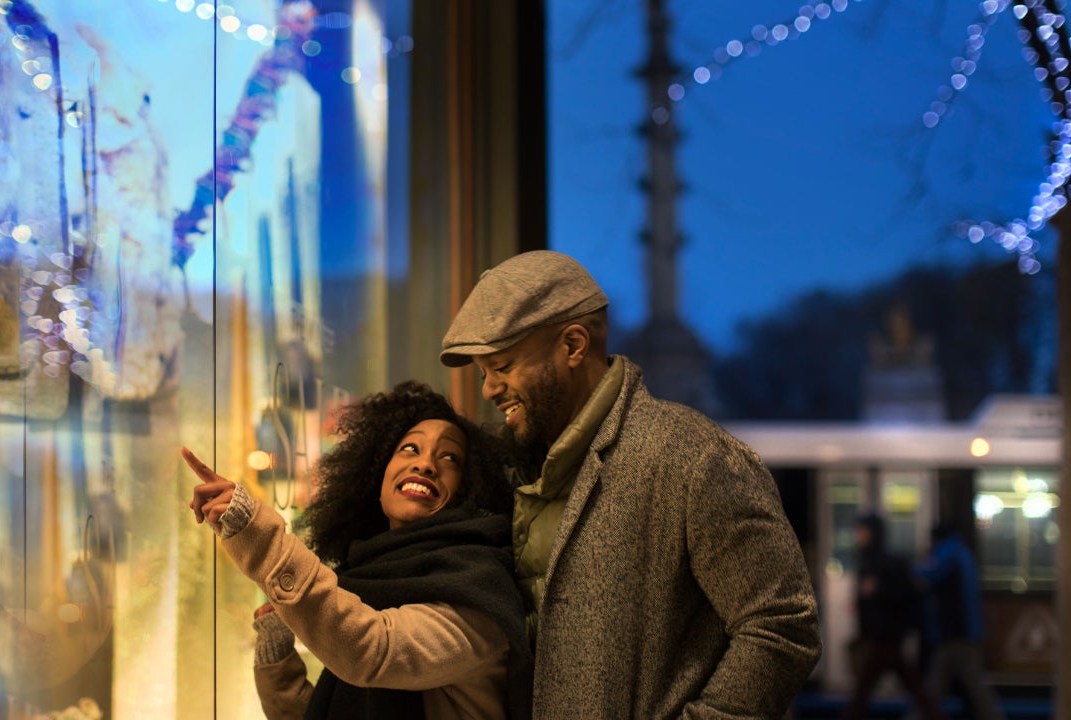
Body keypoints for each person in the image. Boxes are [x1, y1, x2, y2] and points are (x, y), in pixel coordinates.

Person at [438, 250, 822, 719]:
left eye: (502, 366)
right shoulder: (510, 469)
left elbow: (782, 625)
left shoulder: (691, 455)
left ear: (573, 345)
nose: (488, 389)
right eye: (482, 373)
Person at [184, 381, 533, 720]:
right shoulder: (365, 577)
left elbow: (373, 651)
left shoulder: (480, 591)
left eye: (450, 457)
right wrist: (277, 653)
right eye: (410, 449)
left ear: (469, 490)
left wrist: (256, 534)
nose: (426, 464)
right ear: (377, 476)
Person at [842, 513, 944, 720]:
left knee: (867, 686)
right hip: (881, 635)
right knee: (905, 683)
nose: (859, 535)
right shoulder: (866, 560)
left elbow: (906, 593)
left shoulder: (889, 562)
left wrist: (878, 591)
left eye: (863, 531)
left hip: (888, 634)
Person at [917, 521, 1007, 720]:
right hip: (964, 631)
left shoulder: (947, 553)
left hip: (956, 632)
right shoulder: (961, 552)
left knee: (959, 682)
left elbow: (927, 574)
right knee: (955, 681)